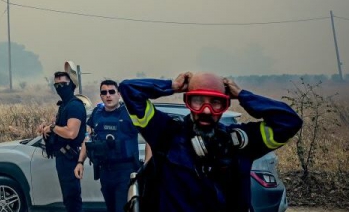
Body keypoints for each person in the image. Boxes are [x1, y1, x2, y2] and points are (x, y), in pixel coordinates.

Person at [119, 72, 303, 212]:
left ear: (226, 105)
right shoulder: (166, 133)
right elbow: (129, 89)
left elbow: (289, 121)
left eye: (216, 102)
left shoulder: (239, 142)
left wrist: (242, 95)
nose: (206, 110)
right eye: (198, 101)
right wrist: (173, 86)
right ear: (187, 101)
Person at [74, 79, 141, 212]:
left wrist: (149, 166)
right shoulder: (97, 114)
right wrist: (80, 161)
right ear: (101, 96)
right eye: (104, 92)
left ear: (119, 94)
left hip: (125, 171)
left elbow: (151, 137)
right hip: (105, 171)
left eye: (111, 92)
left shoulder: (129, 114)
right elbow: (87, 139)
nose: (108, 95)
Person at [37, 61, 86, 212]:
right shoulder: (64, 105)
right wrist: (48, 129)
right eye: (56, 85)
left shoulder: (74, 106)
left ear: (71, 84)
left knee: (72, 200)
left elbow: (71, 133)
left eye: (63, 84)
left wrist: (52, 127)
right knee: (68, 199)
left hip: (70, 158)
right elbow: (61, 129)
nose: (59, 88)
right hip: (63, 159)